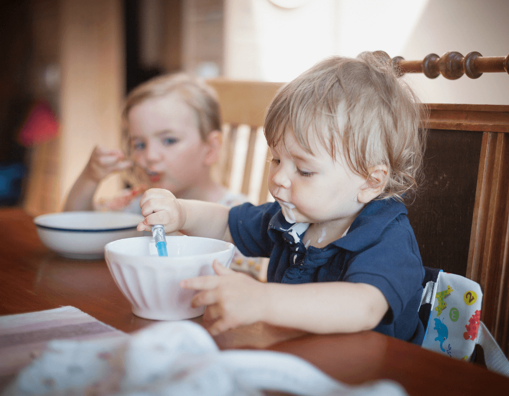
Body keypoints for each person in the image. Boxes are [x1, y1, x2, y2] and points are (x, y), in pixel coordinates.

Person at [137, 51, 427, 343]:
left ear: (370, 181)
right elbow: (226, 224)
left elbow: (364, 306)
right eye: (276, 160)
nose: (277, 178)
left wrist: (263, 299)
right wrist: (181, 213)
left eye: (303, 170)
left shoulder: (386, 238)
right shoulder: (293, 219)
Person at [62, 72, 247, 214]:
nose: (149, 156)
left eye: (169, 140)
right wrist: (90, 177)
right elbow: (75, 224)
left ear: (211, 149)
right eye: (139, 145)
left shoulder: (239, 217)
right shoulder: (136, 202)